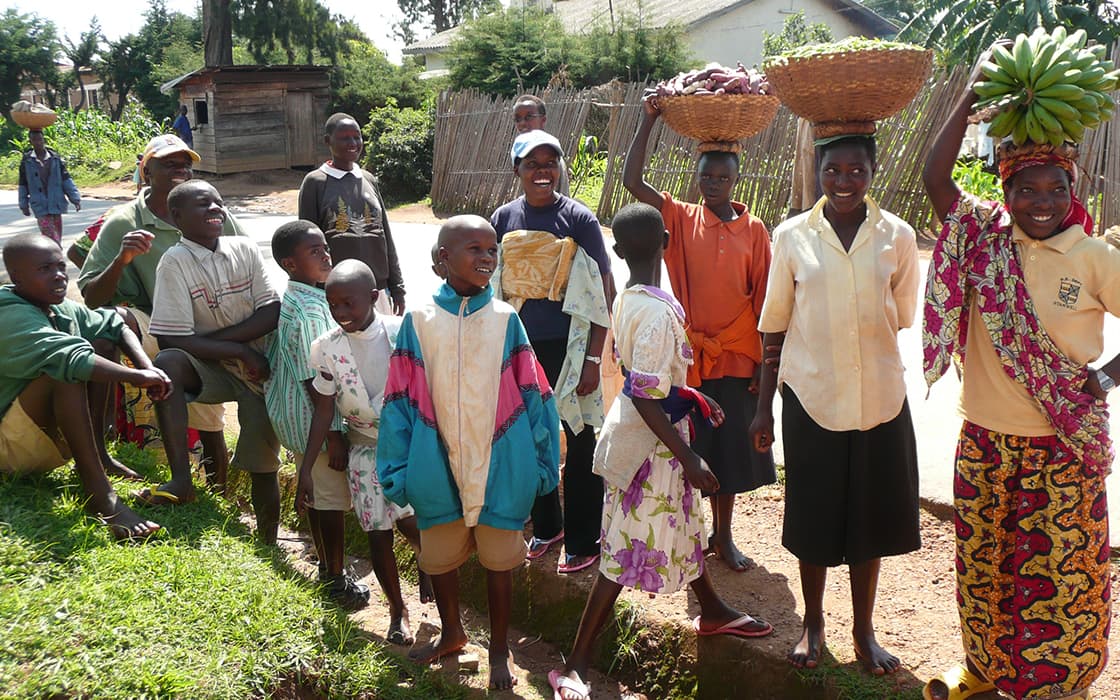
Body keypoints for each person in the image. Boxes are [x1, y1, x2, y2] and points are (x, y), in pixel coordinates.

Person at [919, 48, 1114, 700]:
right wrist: (973, 87)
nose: (1040, 202)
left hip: (1061, 449)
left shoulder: (1090, 255)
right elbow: (933, 174)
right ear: (1004, 191)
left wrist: (1104, 379)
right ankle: (985, 670)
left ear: (1073, 189)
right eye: (1025, 189)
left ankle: (1063, 686)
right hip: (983, 444)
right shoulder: (983, 238)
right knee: (983, 570)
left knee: (1061, 574)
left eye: (1055, 189)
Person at [549, 203, 772, 700]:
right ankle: (576, 663)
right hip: (652, 447)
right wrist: (689, 459)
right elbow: (647, 394)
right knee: (622, 549)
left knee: (687, 526)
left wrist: (691, 394)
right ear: (668, 242)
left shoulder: (632, 298)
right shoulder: (653, 309)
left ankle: (712, 612)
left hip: (659, 435)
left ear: (618, 251)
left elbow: (651, 380)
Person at [748, 133, 921, 675]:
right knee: (814, 514)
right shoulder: (792, 236)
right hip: (811, 395)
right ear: (817, 172)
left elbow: (903, 314)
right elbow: (773, 323)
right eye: (832, 171)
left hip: (879, 396)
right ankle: (813, 623)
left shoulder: (898, 236)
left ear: (873, 172)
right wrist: (761, 408)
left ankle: (863, 630)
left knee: (869, 517)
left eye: (855, 171)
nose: (843, 182)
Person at [378, 215, 560, 691]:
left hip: (501, 464)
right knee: (440, 559)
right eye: (473, 249)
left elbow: (535, 394)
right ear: (441, 259)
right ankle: (452, 632)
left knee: (500, 563)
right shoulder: (417, 322)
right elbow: (398, 400)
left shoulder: (505, 319)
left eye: (492, 249)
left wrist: (544, 462)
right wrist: (396, 467)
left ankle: (500, 649)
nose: (486, 257)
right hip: (435, 464)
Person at [623, 95, 776, 573]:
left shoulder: (755, 230)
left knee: (729, 452)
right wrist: (647, 120)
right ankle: (691, 534)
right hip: (690, 356)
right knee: (691, 448)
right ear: (697, 177)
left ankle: (723, 537)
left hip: (737, 355)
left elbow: (766, 302)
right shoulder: (682, 216)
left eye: (722, 177)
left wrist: (764, 367)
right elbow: (632, 181)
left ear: (736, 180)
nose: (712, 184)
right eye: (706, 176)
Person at [78, 134, 237, 477]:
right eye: (169, 163)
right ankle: (100, 444)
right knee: (107, 322)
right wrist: (122, 260)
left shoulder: (210, 211)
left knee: (210, 420)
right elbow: (91, 296)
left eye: (185, 164)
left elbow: (245, 268)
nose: (180, 169)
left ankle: (219, 492)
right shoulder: (124, 221)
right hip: (152, 324)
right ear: (146, 172)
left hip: (207, 328)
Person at [491, 130, 612, 574]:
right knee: (529, 437)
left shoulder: (578, 220)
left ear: (561, 167)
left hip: (571, 346)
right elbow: (492, 285)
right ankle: (547, 526)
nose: (542, 171)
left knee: (579, 439)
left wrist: (595, 359)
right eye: (531, 163)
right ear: (517, 170)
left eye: (550, 162)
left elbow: (601, 291)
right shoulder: (503, 218)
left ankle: (585, 536)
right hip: (521, 346)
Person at [294, 258, 431, 640]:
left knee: (414, 525)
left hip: (408, 452)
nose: (340, 313)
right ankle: (397, 612)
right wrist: (306, 468)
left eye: (348, 303)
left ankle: (427, 562)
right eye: (333, 304)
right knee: (377, 534)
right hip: (365, 453)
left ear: (373, 297)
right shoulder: (326, 349)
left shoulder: (404, 333)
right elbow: (323, 410)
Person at [0, 234, 168, 540]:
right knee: (64, 370)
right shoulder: (9, 314)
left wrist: (147, 366)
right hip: (7, 449)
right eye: (45, 269)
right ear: (16, 278)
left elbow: (112, 323)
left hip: (38, 438)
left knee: (100, 342)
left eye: (61, 266)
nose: (59, 275)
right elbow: (68, 359)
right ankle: (100, 496)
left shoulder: (58, 306)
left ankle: (99, 456)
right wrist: (138, 379)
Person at [144, 181, 283, 547]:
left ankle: (268, 543)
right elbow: (171, 339)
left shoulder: (244, 249)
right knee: (169, 363)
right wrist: (237, 351)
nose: (215, 209)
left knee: (263, 459)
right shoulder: (174, 262)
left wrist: (236, 350)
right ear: (176, 216)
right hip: (214, 368)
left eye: (219, 203)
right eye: (203, 204)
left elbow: (271, 311)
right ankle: (181, 480)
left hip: (259, 370)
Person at [298, 112, 405, 316]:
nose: (353, 142)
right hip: (337, 293)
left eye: (357, 136)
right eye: (344, 137)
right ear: (327, 141)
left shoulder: (368, 179)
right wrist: (313, 291)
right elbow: (306, 243)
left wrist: (397, 287)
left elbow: (386, 237)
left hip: (377, 289)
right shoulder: (315, 183)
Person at [18, 129, 81, 244]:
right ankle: (57, 256)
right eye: (34, 140)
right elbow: (23, 184)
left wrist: (75, 199)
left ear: (44, 140)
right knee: (51, 237)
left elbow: (66, 179)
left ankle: (55, 257)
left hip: (56, 203)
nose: (37, 142)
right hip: (40, 206)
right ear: (30, 142)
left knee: (57, 235)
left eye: (40, 139)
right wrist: (24, 205)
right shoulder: (26, 161)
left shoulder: (55, 159)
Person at [512, 95, 570, 196]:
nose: (522, 123)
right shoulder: (521, 155)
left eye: (528, 117)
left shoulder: (552, 157)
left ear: (543, 120)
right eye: (518, 119)